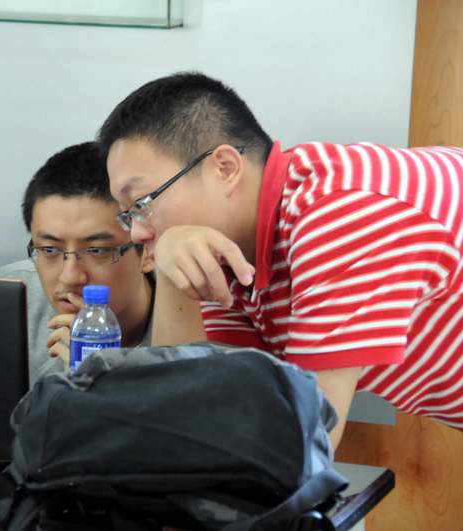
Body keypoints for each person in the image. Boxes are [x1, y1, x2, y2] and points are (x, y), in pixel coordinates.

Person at [98, 71, 463, 448]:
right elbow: (204, 407)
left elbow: (305, 444)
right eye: (127, 215)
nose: (136, 233)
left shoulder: (338, 216)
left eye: (142, 203)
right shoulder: (231, 251)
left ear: (225, 168)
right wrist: (173, 278)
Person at [0, 142, 154, 384]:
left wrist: (107, 386)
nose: (69, 277)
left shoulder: (189, 327)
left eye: (97, 250)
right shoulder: (7, 299)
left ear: (148, 252)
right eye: (49, 249)